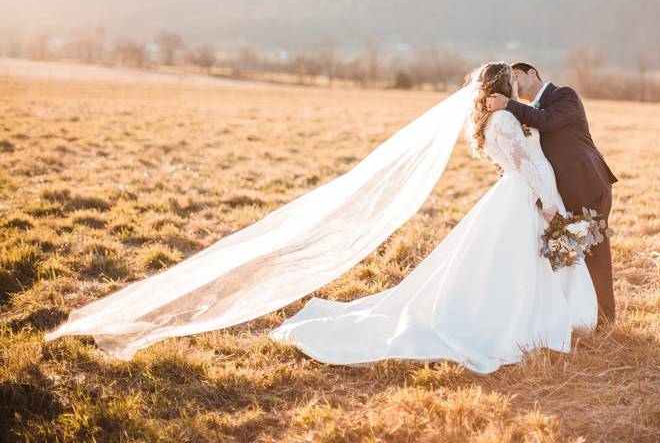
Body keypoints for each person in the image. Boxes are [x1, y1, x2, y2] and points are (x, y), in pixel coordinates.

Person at [46, 61, 597, 374]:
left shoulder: (495, 122)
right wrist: (550, 204)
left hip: (511, 202)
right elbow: (531, 170)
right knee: (510, 269)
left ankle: (522, 317)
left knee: (503, 269)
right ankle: (512, 324)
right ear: (504, 89)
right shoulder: (505, 125)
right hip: (523, 200)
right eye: (514, 84)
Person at [484, 62, 618, 324]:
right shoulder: (521, 112)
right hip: (556, 192)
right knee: (566, 251)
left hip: (585, 183)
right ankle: (574, 310)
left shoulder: (563, 95)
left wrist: (509, 105)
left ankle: (605, 317)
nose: (515, 82)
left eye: (518, 75)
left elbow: (549, 121)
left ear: (532, 73)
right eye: (510, 78)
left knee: (594, 248)